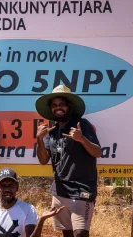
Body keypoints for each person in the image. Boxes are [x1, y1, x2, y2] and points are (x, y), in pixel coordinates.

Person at [35, 85, 102, 237]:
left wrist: (82, 139)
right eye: (54, 105)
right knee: (67, 234)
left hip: (82, 190)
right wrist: (39, 139)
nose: (58, 108)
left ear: (69, 106)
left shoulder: (82, 125)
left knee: (80, 234)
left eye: (62, 104)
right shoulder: (52, 131)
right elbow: (43, 160)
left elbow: (97, 152)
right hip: (59, 191)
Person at [0, 168, 65, 237]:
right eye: (3, 186)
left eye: (11, 185)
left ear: (17, 187)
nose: (7, 189)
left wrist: (42, 220)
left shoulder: (28, 209)